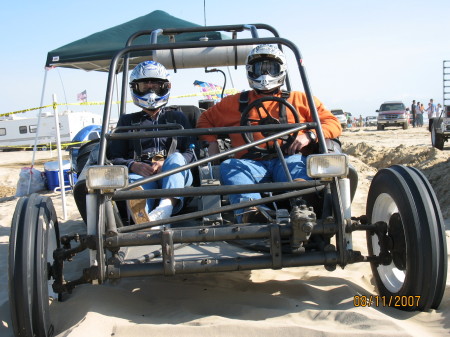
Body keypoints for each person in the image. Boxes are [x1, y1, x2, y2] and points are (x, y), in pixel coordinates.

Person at [196, 45, 342, 223]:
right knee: (229, 165)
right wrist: (212, 146)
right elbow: (204, 121)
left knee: (297, 165)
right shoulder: (233, 103)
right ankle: (253, 212)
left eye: (270, 68)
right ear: (250, 71)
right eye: (259, 68)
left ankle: (303, 205)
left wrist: (309, 135)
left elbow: (333, 123)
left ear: (281, 70)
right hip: (250, 164)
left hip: (288, 160)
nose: (265, 75)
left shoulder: (300, 99)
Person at [109, 60, 195, 225]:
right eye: (144, 86)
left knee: (176, 158)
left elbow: (192, 153)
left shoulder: (178, 117)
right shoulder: (127, 121)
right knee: (135, 185)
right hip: (143, 175)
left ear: (164, 87)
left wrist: (166, 163)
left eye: (154, 85)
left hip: (176, 174)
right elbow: (114, 157)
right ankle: (145, 221)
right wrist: (133, 165)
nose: (150, 90)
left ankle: (165, 207)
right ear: (136, 89)